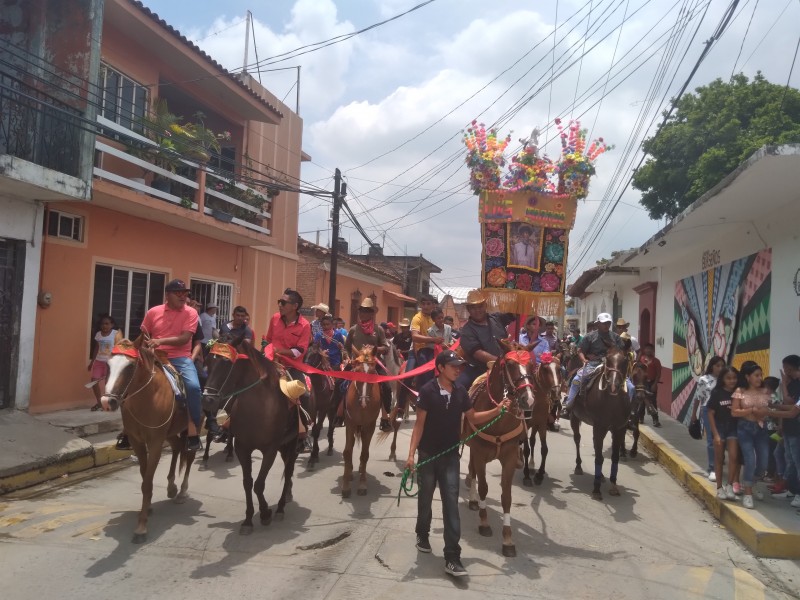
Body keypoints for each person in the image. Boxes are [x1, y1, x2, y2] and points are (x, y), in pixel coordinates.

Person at [405, 349, 511, 578]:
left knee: (451, 505)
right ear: (441, 368)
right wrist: (412, 455)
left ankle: (452, 557)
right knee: (425, 500)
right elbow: (419, 426)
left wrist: (497, 409)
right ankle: (422, 532)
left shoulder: (461, 391)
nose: (458, 369)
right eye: (453, 366)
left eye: (459, 366)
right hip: (428, 456)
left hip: (451, 457)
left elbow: (472, 418)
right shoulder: (427, 391)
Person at [117, 279, 203, 451]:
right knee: (127, 382)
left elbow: (185, 338)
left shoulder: (191, 313)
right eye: (178, 293)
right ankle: (127, 431)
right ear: (167, 295)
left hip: (180, 358)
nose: (182, 296)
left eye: (184, 293)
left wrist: (160, 341)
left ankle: (193, 431)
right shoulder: (153, 312)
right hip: (152, 356)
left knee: (193, 388)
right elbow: (143, 335)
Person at [266, 289, 313, 453]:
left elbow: (300, 351)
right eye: (279, 301)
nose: (280, 305)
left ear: (295, 306)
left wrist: (280, 351)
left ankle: (304, 434)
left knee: (305, 395)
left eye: (283, 303)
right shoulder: (275, 318)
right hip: (271, 363)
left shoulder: (305, 325)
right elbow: (268, 340)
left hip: (292, 367)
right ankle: (226, 425)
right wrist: (266, 351)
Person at [561, 312, 629, 419]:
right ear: (598, 324)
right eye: (604, 323)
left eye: (608, 323)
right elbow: (580, 351)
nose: (606, 325)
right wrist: (584, 360)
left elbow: (622, 352)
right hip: (593, 364)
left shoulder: (616, 337)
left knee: (631, 387)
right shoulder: (589, 337)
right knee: (576, 380)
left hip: (612, 365)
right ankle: (568, 407)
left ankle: (630, 414)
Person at [344, 298, 393, 431]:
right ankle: (338, 414)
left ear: (372, 314)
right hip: (357, 363)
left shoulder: (379, 330)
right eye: (361, 311)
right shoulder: (353, 329)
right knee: (339, 384)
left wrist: (374, 349)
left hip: (374, 363)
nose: (363, 314)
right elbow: (347, 346)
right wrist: (349, 358)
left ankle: (385, 416)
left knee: (387, 387)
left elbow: (386, 347)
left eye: (366, 311)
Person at [731, 361, 772, 509]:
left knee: (764, 463)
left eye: (761, 375)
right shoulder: (740, 391)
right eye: (756, 375)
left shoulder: (765, 391)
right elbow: (734, 411)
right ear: (748, 377)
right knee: (750, 459)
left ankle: (752, 483)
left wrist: (763, 413)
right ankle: (747, 493)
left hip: (761, 429)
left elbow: (767, 410)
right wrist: (750, 411)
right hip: (745, 428)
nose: (759, 378)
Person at [456, 290, 515, 390]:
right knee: (458, 386)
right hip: (479, 369)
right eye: (473, 308)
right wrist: (501, 362)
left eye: (480, 306)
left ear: (485, 306)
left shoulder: (497, 318)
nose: (477, 310)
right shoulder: (467, 331)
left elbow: (514, 312)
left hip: (506, 366)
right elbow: (478, 353)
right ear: (468, 309)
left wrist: (518, 295)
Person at [770, 355, 800, 508]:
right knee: (790, 460)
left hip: (796, 430)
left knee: (796, 461)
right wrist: (774, 407)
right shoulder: (794, 383)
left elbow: (792, 410)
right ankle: (793, 490)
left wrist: (770, 411)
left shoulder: (793, 384)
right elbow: (792, 407)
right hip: (790, 428)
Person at [689, 356, 727, 481]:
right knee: (712, 440)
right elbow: (698, 397)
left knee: (724, 439)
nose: (720, 368)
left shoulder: (725, 379)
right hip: (708, 410)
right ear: (712, 366)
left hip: (724, 411)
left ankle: (720, 462)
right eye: (717, 365)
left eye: (722, 365)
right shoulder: (704, 379)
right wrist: (694, 414)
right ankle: (712, 468)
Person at [707, 366, 740, 500]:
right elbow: (710, 413)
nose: (732, 381)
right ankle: (719, 487)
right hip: (719, 427)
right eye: (728, 378)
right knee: (719, 459)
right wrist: (715, 434)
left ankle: (729, 486)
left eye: (734, 378)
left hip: (733, 428)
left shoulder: (738, 393)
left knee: (734, 456)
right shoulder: (717, 393)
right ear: (723, 379)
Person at [313, 314, 348, 427]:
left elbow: (343, 349)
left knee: (340, 385)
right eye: (323, 324)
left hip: (335, 363)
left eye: (328, 324)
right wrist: (321, 354)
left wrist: (341, 347)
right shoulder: (319, 335)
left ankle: (338, 408)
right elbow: (315, 348)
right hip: (322, 363)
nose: (325, 326)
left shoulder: (338, 335)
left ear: (332, 325)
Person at [88, 314, 123, 411]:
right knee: (94, 381)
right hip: (99, 362)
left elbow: (120, 348)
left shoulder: (116, 334)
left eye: (107, 324)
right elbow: (96, 348)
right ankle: (99, 403)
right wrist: (92, 362)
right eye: (103, 324)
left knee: (108, 384)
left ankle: (107, 403)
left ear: (112, 325)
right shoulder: (98, 334)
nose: (104, 326)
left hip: (110, 363)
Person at [638, 343, 662, 427]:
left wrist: (655, 384)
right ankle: (641, 418)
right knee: (641, 401)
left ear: (653, 350)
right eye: (647, 348)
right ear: (644, 350)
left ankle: (655, 420)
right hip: (642, 383)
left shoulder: (656, 361)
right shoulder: (641, 359)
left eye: (650, 349)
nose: (648, 350)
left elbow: (658, 374)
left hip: (651, 383)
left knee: (653, 402)